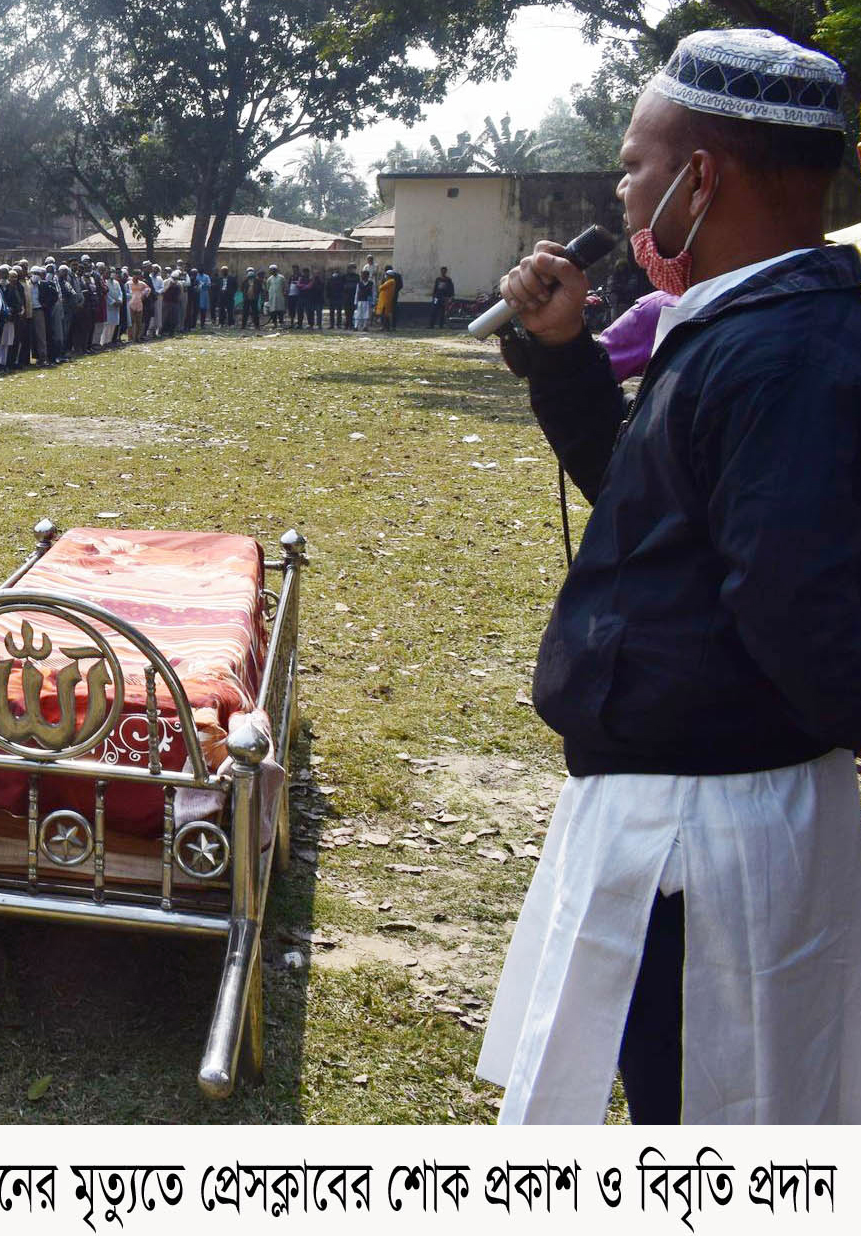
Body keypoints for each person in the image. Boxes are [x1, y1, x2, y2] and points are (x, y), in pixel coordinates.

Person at [478, 28, 861, 1125]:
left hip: (726, 844)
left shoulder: (788, 353)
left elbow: (807, 611)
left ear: (701, 177)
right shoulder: (739, 328)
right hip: (686, 821)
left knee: (713, 1122)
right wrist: (564, 355)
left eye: (637, 166)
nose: (623, 188)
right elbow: (668, 518)